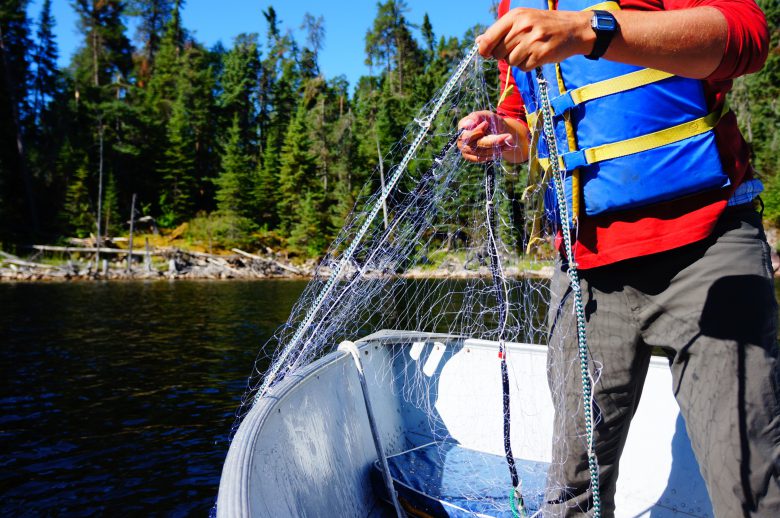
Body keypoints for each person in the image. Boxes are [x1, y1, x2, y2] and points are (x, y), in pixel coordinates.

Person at [458, 0, 779, 516]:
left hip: (707, 250)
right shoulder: (513, 6)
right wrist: (500, 135)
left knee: (750, 490)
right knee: (570, 495)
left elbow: (747, 36)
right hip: (585, 274)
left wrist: (591, 29)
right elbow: (525, 120)